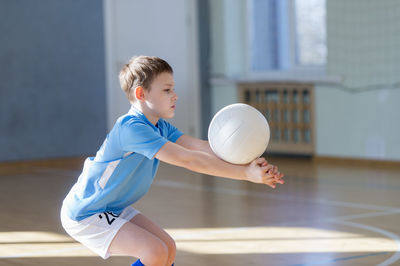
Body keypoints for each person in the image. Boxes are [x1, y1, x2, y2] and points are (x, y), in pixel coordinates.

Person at [60, 55, 284, 266]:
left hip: (112, 207)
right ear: (141, 94)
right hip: (86, 212)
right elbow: (190, 160)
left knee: (167, 247)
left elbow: (204, 147)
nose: (175, 95)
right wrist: (245, 175)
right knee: (153, 251)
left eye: (173, 89)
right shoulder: (132, 129)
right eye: (167, 90)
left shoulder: (159, 126)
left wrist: (249, 165)